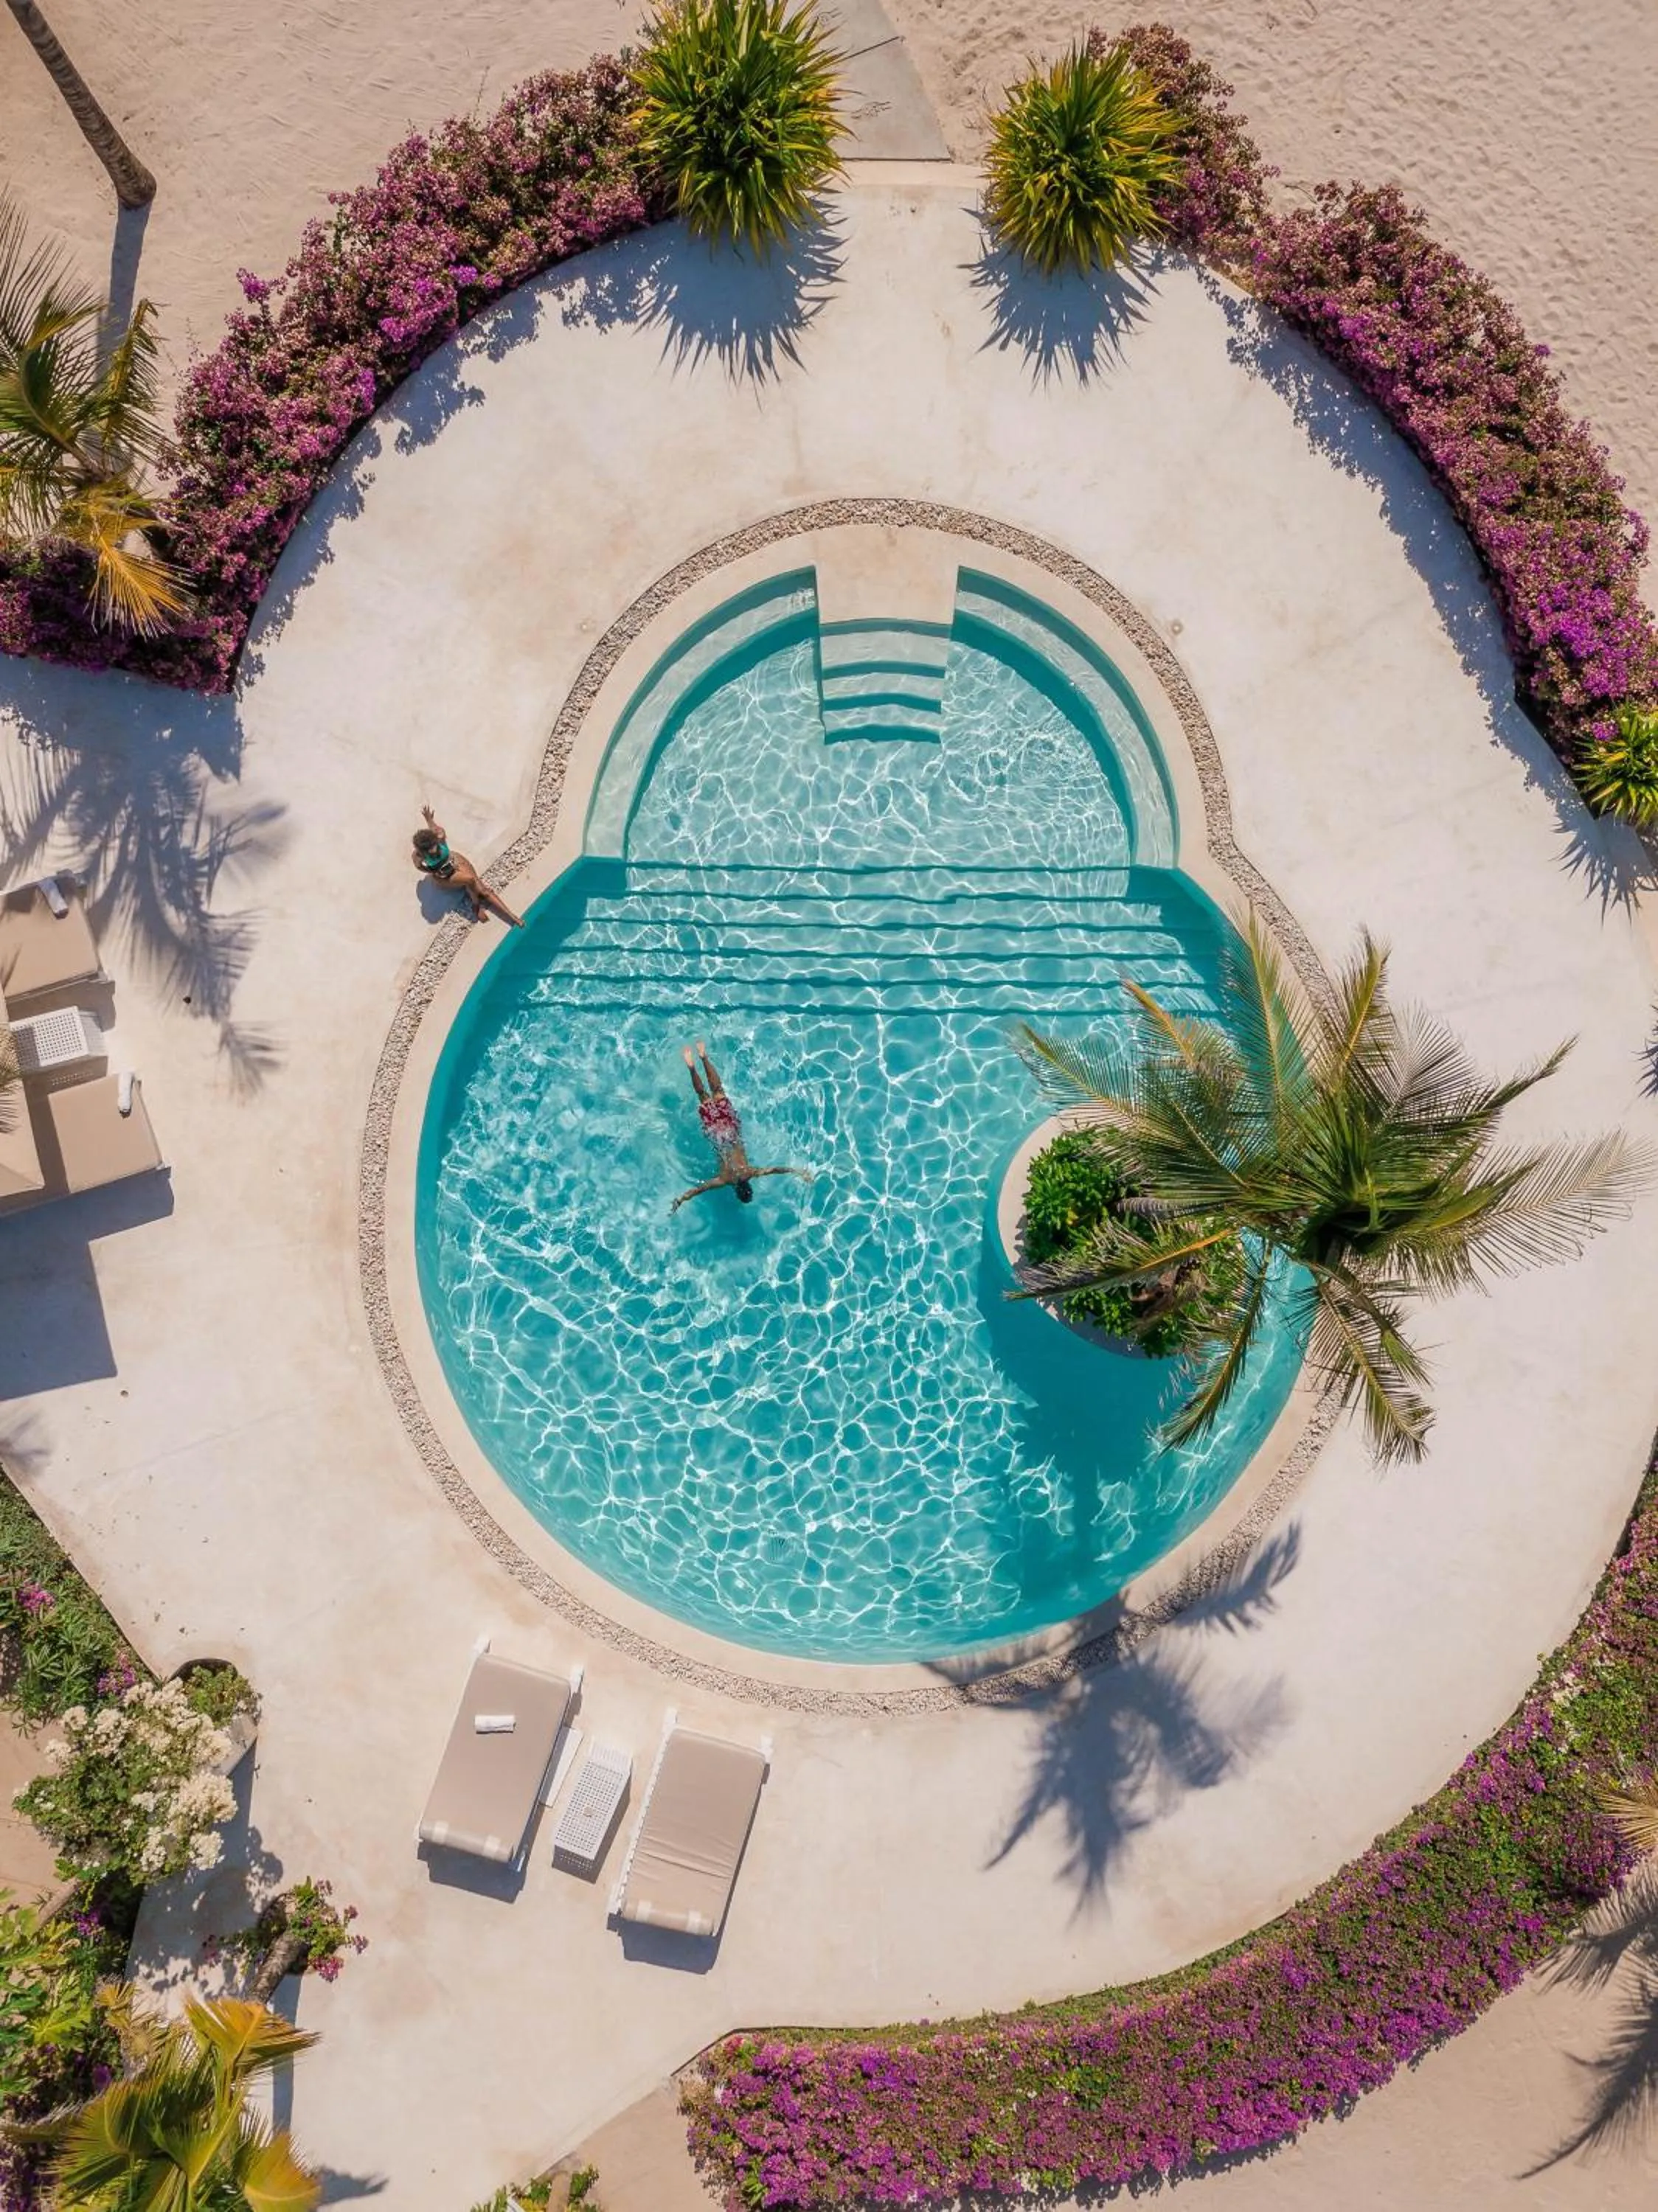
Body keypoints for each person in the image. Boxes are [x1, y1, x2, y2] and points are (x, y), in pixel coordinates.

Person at [672, 1041, 812, 1211]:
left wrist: (798, 1171)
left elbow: (776, 1169)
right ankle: (692, 1068)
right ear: (737, 1191)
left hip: (730, 1128)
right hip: (716, 1132)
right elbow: (699, 1189)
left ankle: (704, 1057)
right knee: (702, 1095)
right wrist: (680, 1200)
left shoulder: (750, 1171)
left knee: (717, 1090)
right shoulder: (724, 1179)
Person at [411, 806, 524, 927]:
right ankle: (476, 904)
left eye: (434, 845)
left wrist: (429, 819)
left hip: (456, 862)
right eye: (430, 849)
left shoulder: (439, 835)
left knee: (483, 891)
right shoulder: (419, 855)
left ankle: (512, 916)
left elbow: (433, 827)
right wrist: (432, 870)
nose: (434, 849)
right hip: (444, 877)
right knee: (470, 881)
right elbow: (418, 866)